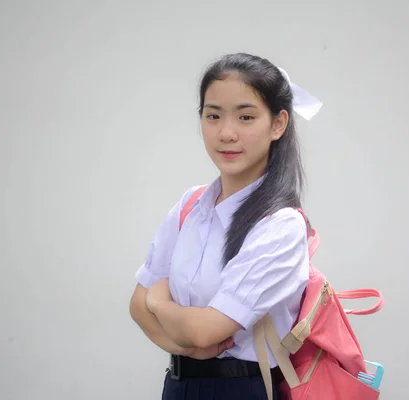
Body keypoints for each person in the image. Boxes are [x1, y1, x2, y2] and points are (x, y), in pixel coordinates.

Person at [129, 52, 323, 400]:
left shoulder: (281, 225)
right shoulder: (191, 205)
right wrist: (186, 348)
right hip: (177, 386)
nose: (226, 133)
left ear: (278, 124)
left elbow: (206, 330)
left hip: (242, 389)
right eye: (213, 115)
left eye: (246, 117)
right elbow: (136, 306)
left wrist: (159, 303)